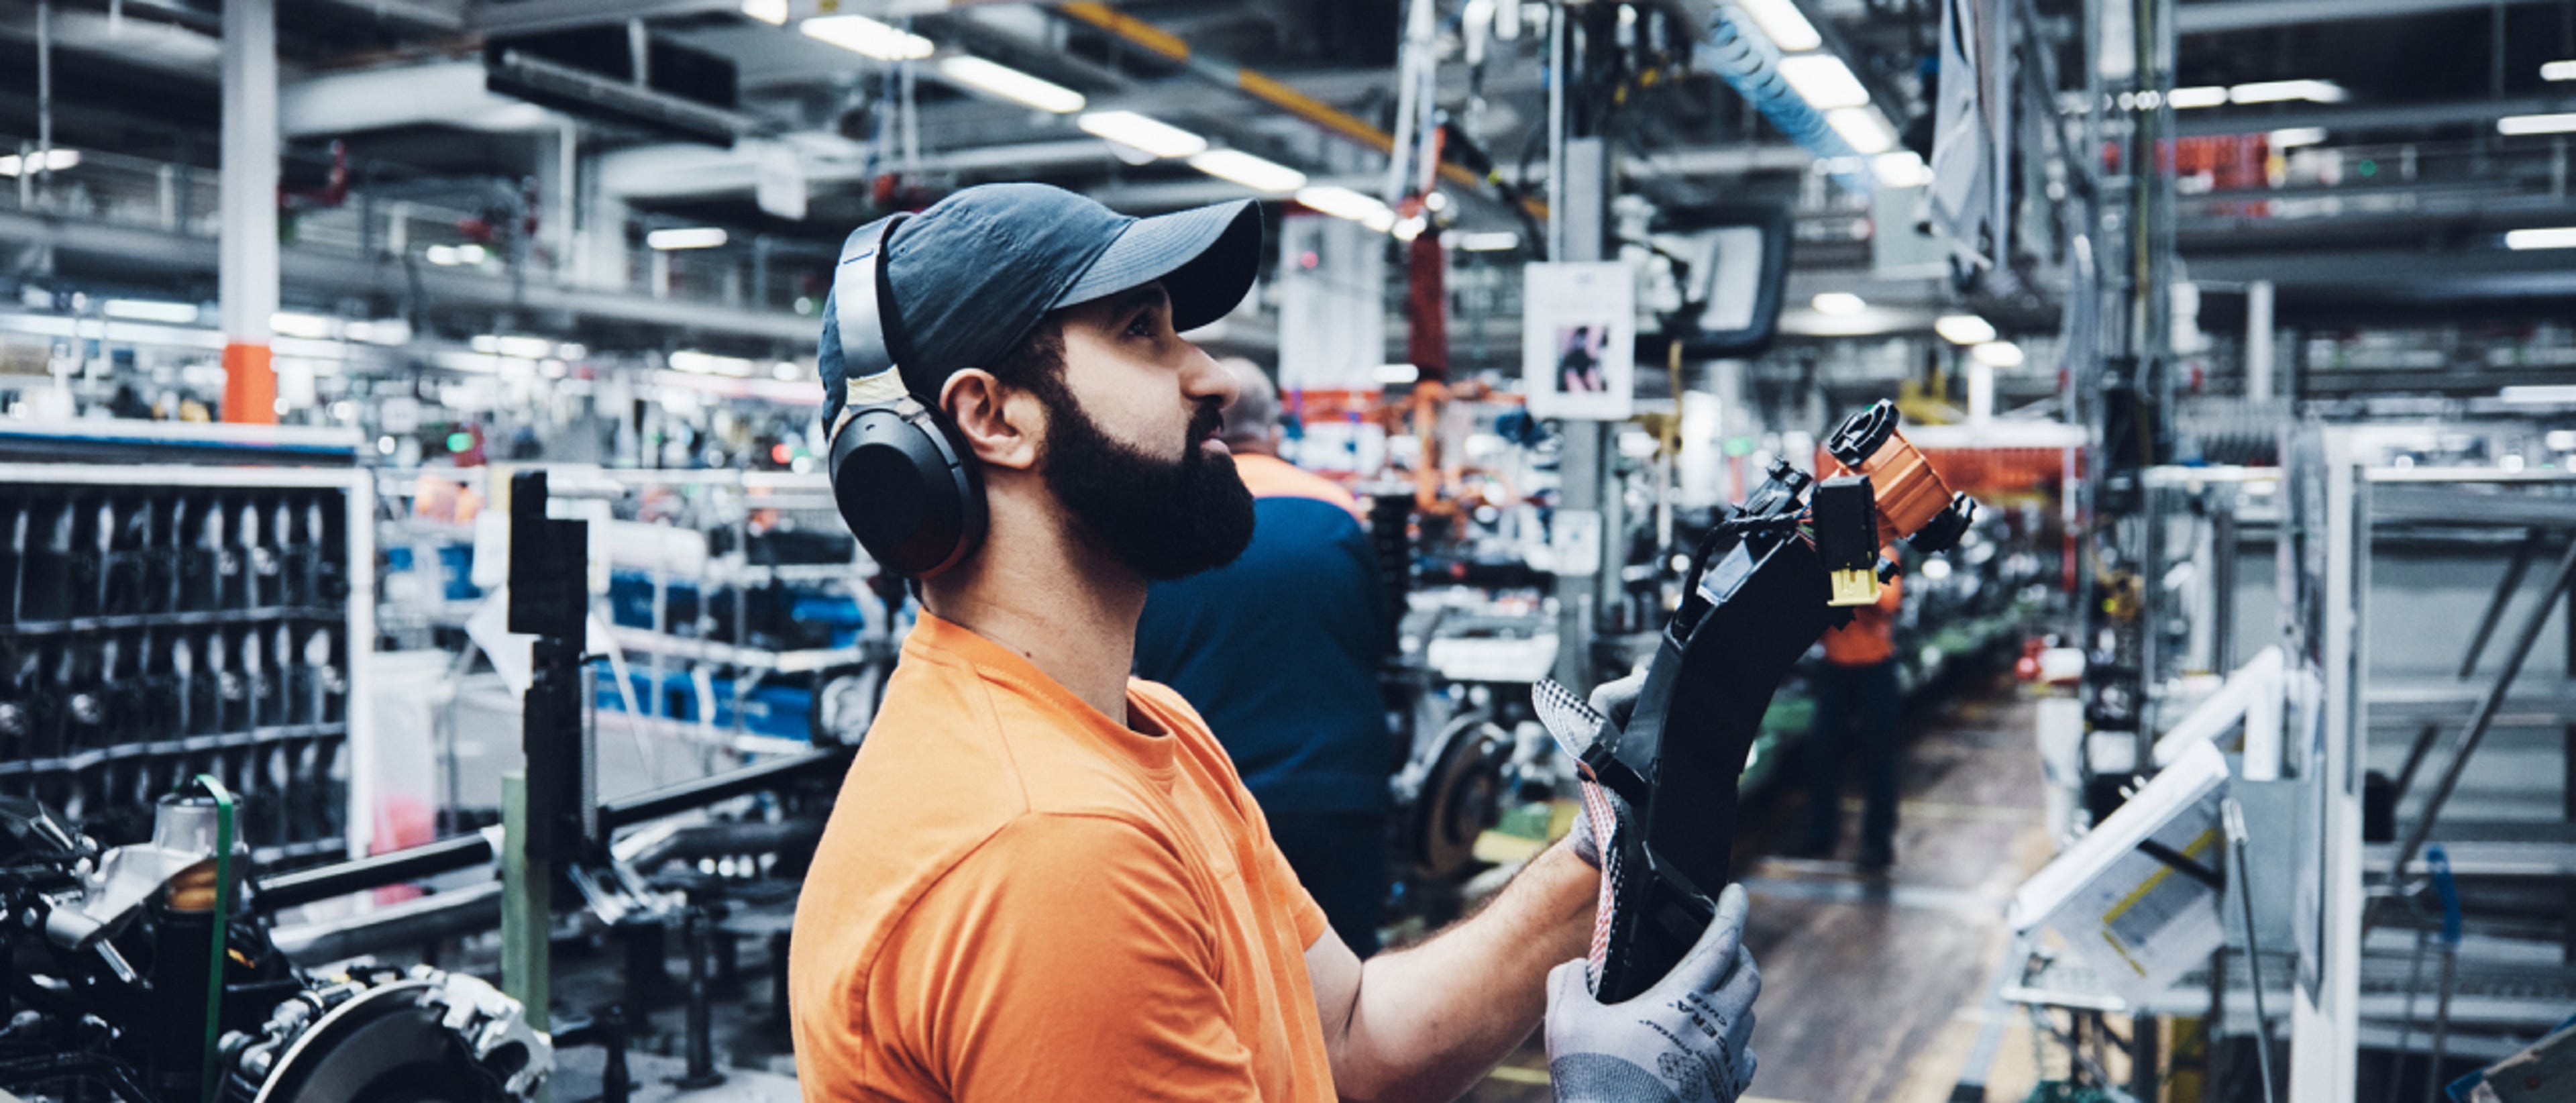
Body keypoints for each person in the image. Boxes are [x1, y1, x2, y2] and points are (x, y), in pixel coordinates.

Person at [787, 182, 1762, 1102]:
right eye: (1141, 331)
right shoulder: (1048, 847)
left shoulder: (1148, 724)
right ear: (992, 417)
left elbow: (1349, 1036)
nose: (1209, 372)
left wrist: (1612, 838)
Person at [1134, 358, 1390, 956]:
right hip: (1337, 793)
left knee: (1231, 983)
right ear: (1275, 427)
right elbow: (1376, 639)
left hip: (1210, 799)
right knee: (1348, 992)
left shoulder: (1160, 523)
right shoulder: (1337, 509)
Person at [1799, 562, 1906, 871]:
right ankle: (1820, 836)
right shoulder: (1825, 554)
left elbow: (1888, 602)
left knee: (1878, 757)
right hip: (1834, 668)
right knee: (1823, 754)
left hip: (1875, 668)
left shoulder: (1884, 555)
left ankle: (1878, 844)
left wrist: (1849, 572)